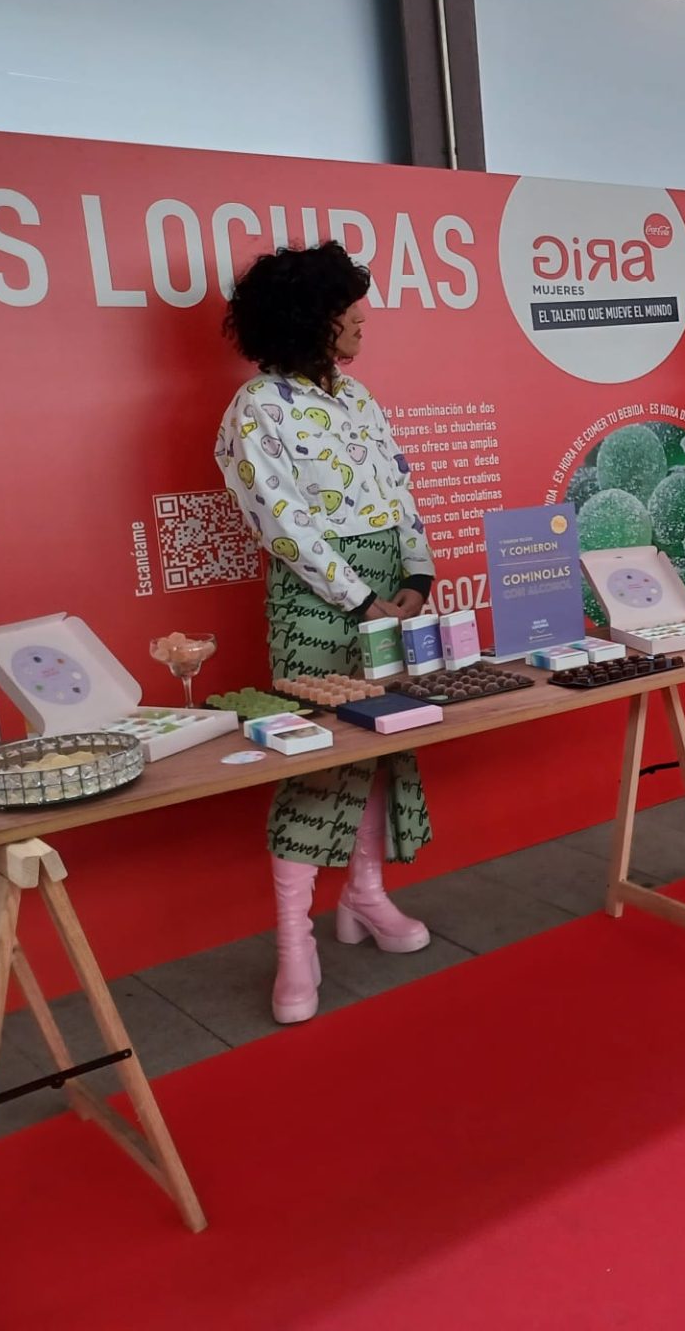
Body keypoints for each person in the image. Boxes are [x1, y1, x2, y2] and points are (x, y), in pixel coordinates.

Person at [216, 242, 437, 1025]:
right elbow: (282, 525)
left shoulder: (360, 398)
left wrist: (416, 576)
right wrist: (358, 597)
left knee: (381, 742)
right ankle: (294, 942)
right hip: (316, 599)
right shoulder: (256, 409)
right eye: (348, 309)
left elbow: (400, 489)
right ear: (310, 318)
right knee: (314, 759)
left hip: (386, 590)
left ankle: (366, 895)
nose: (362, 320)